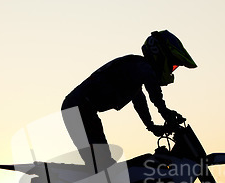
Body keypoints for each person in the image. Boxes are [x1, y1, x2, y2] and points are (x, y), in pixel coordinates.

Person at [61, 30, 197, 168]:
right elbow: (154, 93)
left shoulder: (134, 69)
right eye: (173, 66)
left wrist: (151, 125)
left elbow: (140, 101)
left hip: (78, 108)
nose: (171, 71)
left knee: (102, 166)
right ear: (162, 55)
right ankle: (60, 177)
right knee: (104, 167)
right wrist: (165, 112)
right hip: (80, 109)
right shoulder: (142, 67)